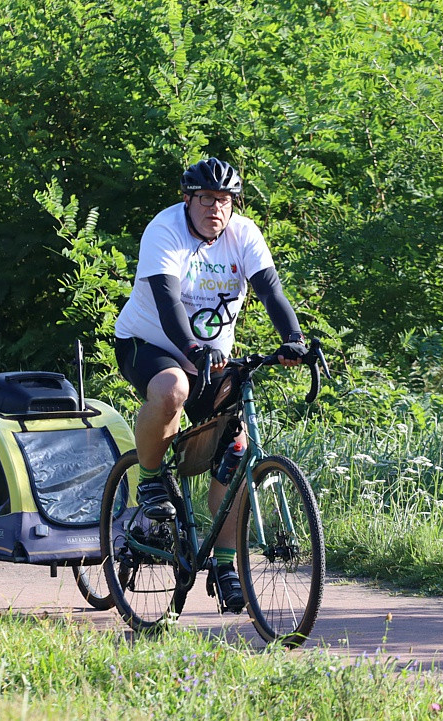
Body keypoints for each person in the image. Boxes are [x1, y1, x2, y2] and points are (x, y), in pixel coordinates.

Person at [113, 157, 307, 612]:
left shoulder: (244, 234)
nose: (215, 208)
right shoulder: (164, 230)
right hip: (148, 343)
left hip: (211, 358)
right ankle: (151, 480)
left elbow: (270, 290)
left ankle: (223, 564)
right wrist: (190, 348)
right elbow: (166, 299)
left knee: (235, 449)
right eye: (205, 199)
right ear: (187, 199)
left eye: (224, 200)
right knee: (172, 389)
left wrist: (294, 339)